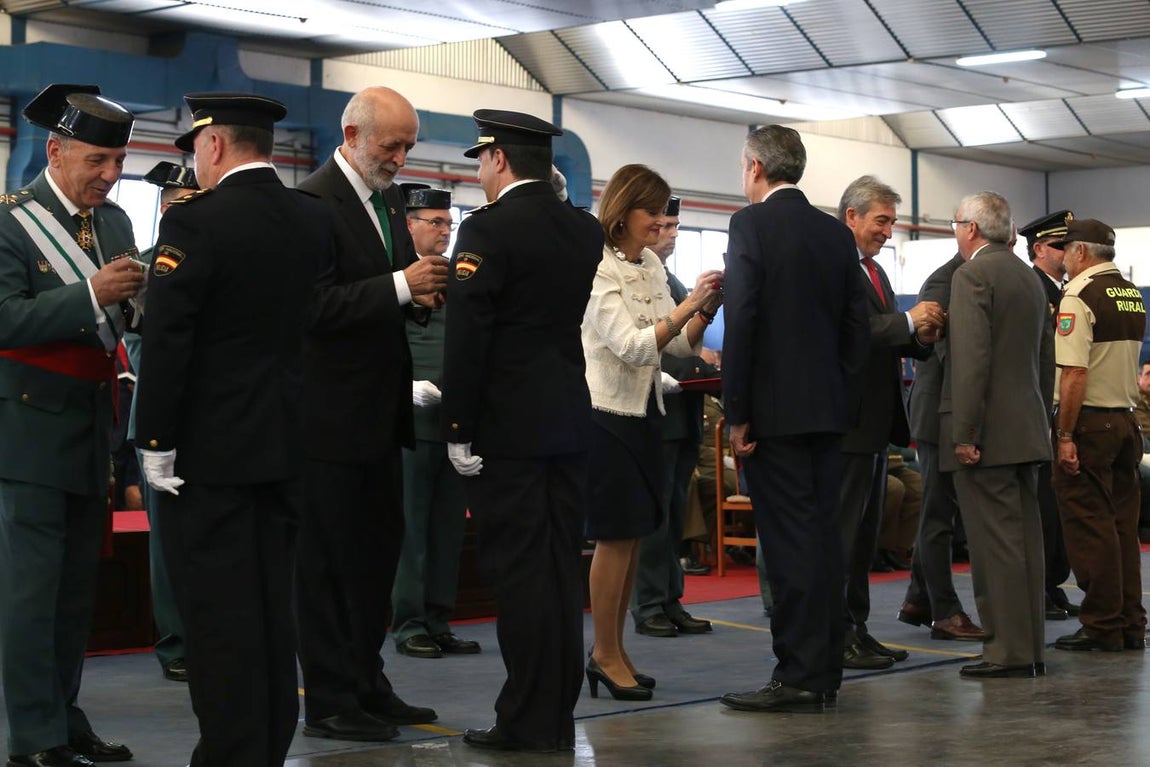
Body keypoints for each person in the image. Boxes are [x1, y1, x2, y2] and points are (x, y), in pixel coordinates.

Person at [136, 91, 333, 767]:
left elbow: (167, 338)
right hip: (286, 443)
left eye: (195, 148)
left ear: (214, 144)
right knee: (273, 611)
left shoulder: (197, 223)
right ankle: (268, 746)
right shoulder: (312, 218)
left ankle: (229, 753)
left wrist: (155, 439)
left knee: (220, 621)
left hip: (211, 454)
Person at [440, 109, 602, 752]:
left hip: (510, 430)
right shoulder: (581, 229)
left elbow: (468, 333)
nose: (479, 173)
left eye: (481, 160)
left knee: (520, 577)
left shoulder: (487, 229)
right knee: (560, 573)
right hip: (566, 417)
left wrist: (458, 423)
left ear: (499, 160)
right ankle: (554, 715)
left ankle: (526, 720)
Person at [295, 86, 445, 741]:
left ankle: (365, 680)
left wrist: (415, 298)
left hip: (380, 416)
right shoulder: (310, 203)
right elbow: (311, 308)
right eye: (392, 144)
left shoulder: (385, 200)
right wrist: (400, 286)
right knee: (327, 564)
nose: (401, 156)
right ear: (352, 133)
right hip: (327, 421)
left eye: (408, 144)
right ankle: (329, 698)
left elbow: (381, 293)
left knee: (375, 559)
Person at [0, 83, 143, 767]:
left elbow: (121, 323)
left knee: (73, 595)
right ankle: (34, 736)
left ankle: (65, 714)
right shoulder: (8, 221)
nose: (110, 175)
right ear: (54, 151)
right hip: (26, 434)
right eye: (97, 160)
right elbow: (6, 320)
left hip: (93, 431)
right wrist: (91, 293)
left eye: (118, 160)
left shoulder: (114, 223)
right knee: (30, 596)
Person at [719, 125, 869, 714]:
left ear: (755, 167)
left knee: (787, 547)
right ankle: (824, 668)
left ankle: (800, 674)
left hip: (774, 416)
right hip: (827, 412)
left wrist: (738, 414)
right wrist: (841, 397)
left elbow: (745, 318)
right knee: (824, 541)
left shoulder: (750, 224)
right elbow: (856, 325)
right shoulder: (835, 233)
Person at [583, 164, 722, 695]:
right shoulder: (598, 268)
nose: (662, 222)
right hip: (607, 414)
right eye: (653, 212)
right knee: (615, 539)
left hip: (645, 413)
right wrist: (687, 306)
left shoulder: (649, 266)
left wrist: (705, 309)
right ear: (622, 213)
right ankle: (602, 651)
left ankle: (615, 650)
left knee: (634, 537)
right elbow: (633, 345)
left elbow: (680, 344)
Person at [945, 191, 1053, 679]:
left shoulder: (973, 275)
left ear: (969, 228)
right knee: (1027, 544)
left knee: (995, 549)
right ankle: (1029, 647)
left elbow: (971, 361)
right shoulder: (1030, 278)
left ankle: (1006, 652)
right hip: (1026, 429)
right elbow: (1045, 361)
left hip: (987, 436)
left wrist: (965, 431)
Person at [834, 175, 940, 670]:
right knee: (843, 537)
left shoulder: (873, 270)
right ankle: (838, 634)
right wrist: (907, 320)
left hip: (875, 427)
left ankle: (857, 629)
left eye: (892, 222)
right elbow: (851, 333)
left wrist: (921, 333)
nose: (887, 231)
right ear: (851, 216)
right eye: (881, 221)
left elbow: (891, 336)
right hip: (849, 425)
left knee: (863, 538)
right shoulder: (836, 267)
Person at [390, 184, 480, 659]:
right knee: (411, 528)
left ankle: (439, 618)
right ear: (409, 224)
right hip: (408, 420)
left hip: (452, 423)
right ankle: (409, 623)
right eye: (434, 222)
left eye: (449, 223)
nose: (445, 231)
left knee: (447, 528)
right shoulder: (394, 277)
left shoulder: (458, 279)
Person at [1049, 219, 1147, 653]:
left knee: (1090, 527)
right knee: (1123, 527)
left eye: (1066, 249)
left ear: (1081, 253)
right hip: (1127, 422)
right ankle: (1129, 622)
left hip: (1090, 423)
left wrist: (1065, 433)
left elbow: (1073, 372)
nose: (1063, 257)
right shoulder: (1130, 294)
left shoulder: (1079, 295)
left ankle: (1102, 624)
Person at [630, 194, 720, 638]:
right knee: (653, 512)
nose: (670, 236)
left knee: (675, 509)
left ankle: (670, 597)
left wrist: (706, 308)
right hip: (650, 407)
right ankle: (647, 603)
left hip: (684, 408)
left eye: (675, 227)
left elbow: (688, 340)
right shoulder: (630, 279)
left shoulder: (674, 282)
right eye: (662, 226)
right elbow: (637, 341)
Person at [122, 159, 198, 684]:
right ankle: (176, 643)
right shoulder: (144, 272)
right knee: (169, 543)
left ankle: (211, 637)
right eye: (174, 205)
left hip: (217, 422)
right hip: (162, 425)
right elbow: (144, 350)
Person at [898, 250, 988, 643]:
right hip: (939, 413)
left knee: (941, 511)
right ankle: (945, 612)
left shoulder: (969, 276)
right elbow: (944, 351)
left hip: (953, 411)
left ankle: (919, 600)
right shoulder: (944, 280)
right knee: (938, 516)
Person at [1018, 209, 1080, 621]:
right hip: (1037, 407)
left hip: (1055, 408)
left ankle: (1052, 583)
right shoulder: (1032, 288)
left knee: (1054, 508)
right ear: (1039, 248)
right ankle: (1036, 587)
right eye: (1059, 245)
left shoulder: (1058, 291)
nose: (1066, 253)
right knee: (1037, 507)